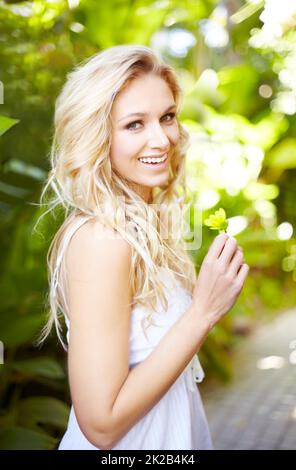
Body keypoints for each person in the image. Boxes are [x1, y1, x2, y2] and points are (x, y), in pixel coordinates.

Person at [36, 44, 249, 450]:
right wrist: (204, 311)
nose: (163, 138)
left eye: (167, 117)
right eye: (135, 124)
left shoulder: (146, 225)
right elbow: (101, 425)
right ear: (97, 134)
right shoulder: (103, 239)